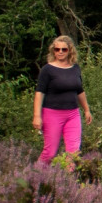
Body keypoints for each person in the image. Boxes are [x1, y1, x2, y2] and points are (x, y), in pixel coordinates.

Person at [33, 35, 92, 167]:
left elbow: (79, 90)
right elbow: (39, 93)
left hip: (73, 113)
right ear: (53, 51)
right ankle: (35, 175)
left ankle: (68, 181)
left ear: (70, 50)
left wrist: (86, 110)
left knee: (73, 152)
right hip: (52, 113)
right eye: (57, 49)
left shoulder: (75, 68)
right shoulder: (47, 70)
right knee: (50, 152)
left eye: (63, 49)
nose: (60, 52)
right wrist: (37, 116)